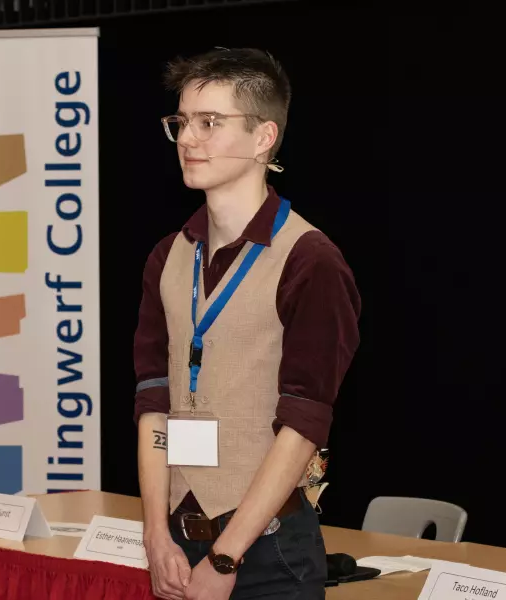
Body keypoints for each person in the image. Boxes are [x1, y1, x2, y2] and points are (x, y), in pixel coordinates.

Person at [133, 47, 362, 600]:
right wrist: (155, 535)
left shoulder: (310, 260)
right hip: (177, 547)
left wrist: (226, 556)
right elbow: (153, 401)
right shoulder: (169, 256)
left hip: (268, 554)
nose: (188, 139)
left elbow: (303, 426)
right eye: (181, 122)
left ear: (264, 137)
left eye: (210, 122)